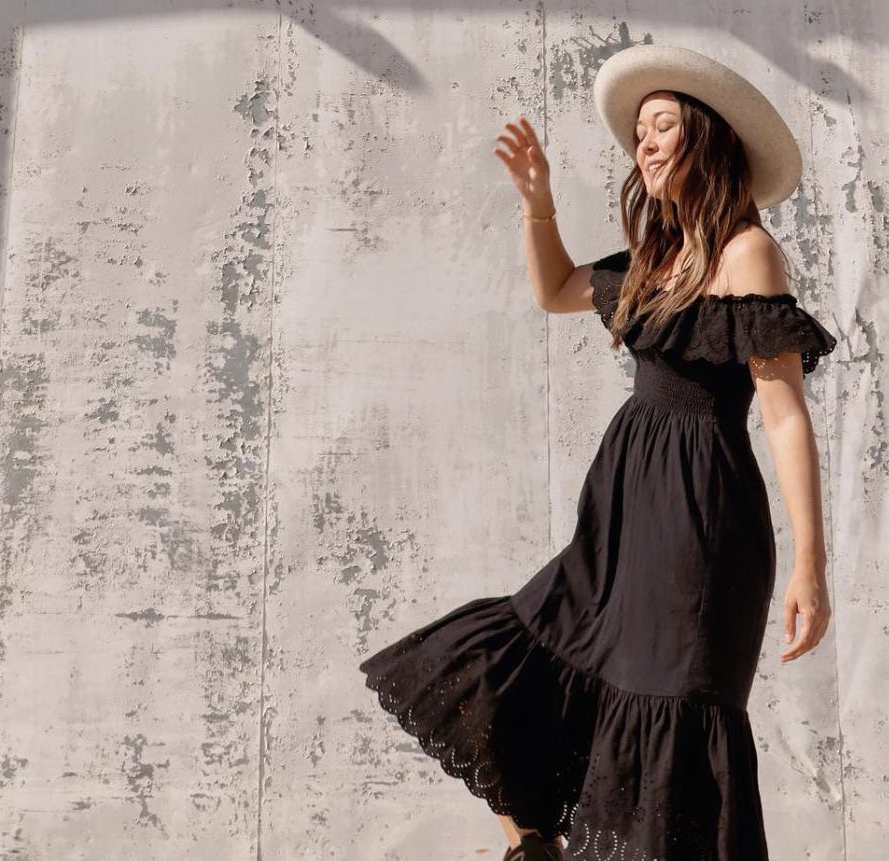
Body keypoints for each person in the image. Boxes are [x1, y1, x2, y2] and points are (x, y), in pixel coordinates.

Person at [359, 44, 838, 861]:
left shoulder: (747, 253)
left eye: (663, 127)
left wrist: (810, 565)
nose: (643, 144)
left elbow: (785, 416)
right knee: (518, 661)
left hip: (701, 517)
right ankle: (535, 849)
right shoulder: (656, 259)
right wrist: (538, 204)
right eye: (639, 131)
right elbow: (554, 290)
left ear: (711, 142)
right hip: (622, 515)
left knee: (671, 712)